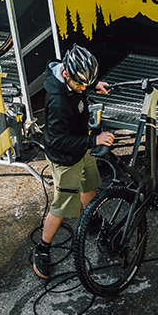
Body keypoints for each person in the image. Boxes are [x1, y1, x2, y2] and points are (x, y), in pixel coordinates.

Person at [34, 44, 115, 279]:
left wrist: (92, 85)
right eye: (80, 84)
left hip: (81, 146)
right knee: (61, 206)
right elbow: (59, 140)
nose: (83, 88)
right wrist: (94, 140)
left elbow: (81, 87)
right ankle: (43, 249)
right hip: (65, 157)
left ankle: (92, 220)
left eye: (86, 84)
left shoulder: (73, 78)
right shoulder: (58, 103)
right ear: (67, 74)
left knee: (89, 185)